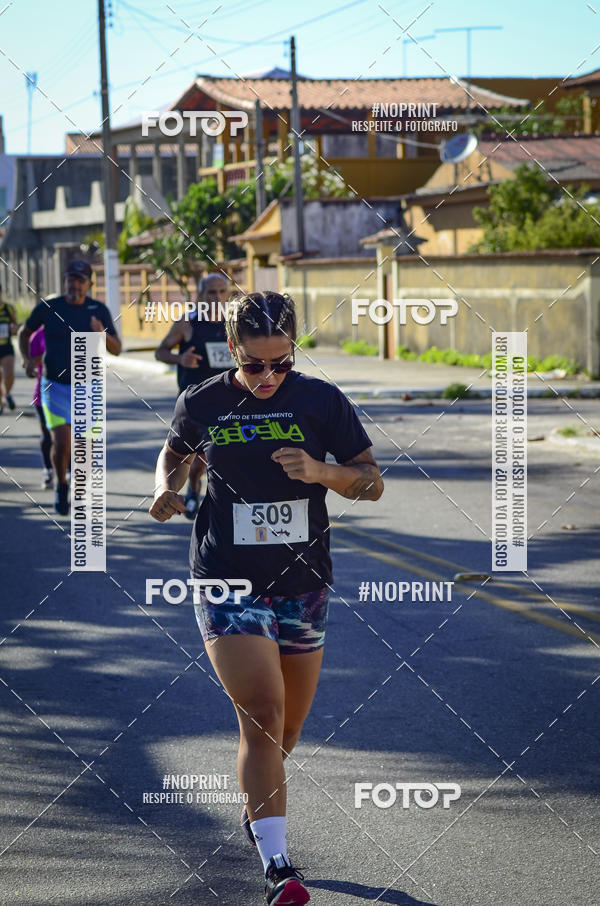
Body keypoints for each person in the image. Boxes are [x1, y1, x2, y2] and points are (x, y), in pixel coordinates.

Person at [150, 291, 383, 905]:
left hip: (302, 583)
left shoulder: (320, 400)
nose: (269, 377)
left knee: (287, 730)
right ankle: (279, 866)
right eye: (255, 365)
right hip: (225, 576)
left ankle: (258, 814)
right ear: (232, 350)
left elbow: (371, 481)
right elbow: (173, 457)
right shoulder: (204, 400)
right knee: (262, 710)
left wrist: (322, 472)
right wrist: (163, 490)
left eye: (282, 363)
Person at [18, 260, 122, 515]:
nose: (74, 285)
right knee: (62, 443)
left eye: (80, 280)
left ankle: (79, 490)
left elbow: (117, 349)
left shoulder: (98, 310)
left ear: (89, 284)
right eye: (70, 279)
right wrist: (27, 359)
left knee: (84, 449)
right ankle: (61, 485)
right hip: (54, 385)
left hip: (88, 388)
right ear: (65, 281)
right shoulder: (50, 307)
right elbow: (24, 331)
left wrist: (102, 334)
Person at [155, 271, 232, 519]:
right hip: (195, 401)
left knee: (213, 455)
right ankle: (195, 485)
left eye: (222, 292)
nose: (217, 297)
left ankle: (205, 491)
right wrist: (181, 358)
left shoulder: (235, 324)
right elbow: (161, 351)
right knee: (196, 456)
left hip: (228, 400)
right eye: (211, 292)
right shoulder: (188, 323)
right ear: (200, 295)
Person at [27, 326, 54, 487]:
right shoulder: (37, 336)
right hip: (43, 393)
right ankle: (48, 471)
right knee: (47, 434)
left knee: (70, 435)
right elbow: (30, 364)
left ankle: (70, 473)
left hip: (69, 393)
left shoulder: (71, 329)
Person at [0, 282, 18, 413]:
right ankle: (1, 400)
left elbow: (15, 326)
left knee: (9, 373)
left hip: (6, 346)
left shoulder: (8, 308)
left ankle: (7, 393)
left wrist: (13, 329)